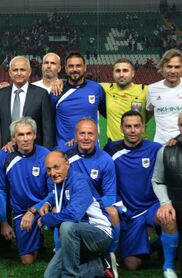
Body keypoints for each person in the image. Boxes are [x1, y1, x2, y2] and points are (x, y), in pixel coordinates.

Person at [104, 111, 176, 276]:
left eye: (137, 126)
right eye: (128, 126)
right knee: (132, 265)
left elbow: (176, 156)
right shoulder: (111, 149)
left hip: (152, 206)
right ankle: (156, 245)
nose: (133, 130)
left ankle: (169, 266)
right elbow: (92, 156)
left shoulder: (157, 149)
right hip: (130, 213)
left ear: (143, 128)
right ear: (121, 128)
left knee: (168, 216)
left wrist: (176, 142)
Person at [39, 151, 113, 278]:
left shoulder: (79, 180)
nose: (53, 173)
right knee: (50, 276)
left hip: (99, 234)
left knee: (67, 225)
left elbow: (73, 215)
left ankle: (70, 275)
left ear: (67, 164)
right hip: (76, 238)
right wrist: (48, 202)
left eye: (56, 167)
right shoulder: (59, 181)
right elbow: (58, 195)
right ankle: (101, 266)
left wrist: (47, 219)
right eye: (49, 169)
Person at [60, 117, 120, 269]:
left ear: (97, 136)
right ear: (75, 136)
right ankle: (61, 251)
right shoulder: (65, 159)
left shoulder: (105, 160)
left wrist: (90, 205)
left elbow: (110, 196)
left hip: (96, 209)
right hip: (72, 205)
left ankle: (109, 255)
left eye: (90, 134)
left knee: (113, 212)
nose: (86, 138)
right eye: (82, 133)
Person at [0, 117, 49, 264]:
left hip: (44, 208)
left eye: (29, 134)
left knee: (59, 215)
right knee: (27, 260)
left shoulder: (46, 155)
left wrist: (34, 210)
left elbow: (55, 191)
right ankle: (37, 239)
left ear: (35, 135)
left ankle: (59, 245)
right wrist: (4, 222)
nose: (25, 139)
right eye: (20, 135)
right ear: (13, 138)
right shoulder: (4, 156)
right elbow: (1, 190)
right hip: (20, 212)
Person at [0, 56, 54, 150]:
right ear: (10, 73)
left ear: (29, 72)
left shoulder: (41, 94)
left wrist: (46, 153)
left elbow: (47, 128)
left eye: (22, 70)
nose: (19, 73)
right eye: (15, 70)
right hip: (6, 150)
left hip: (33, 151)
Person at [50, 51, 105, 146]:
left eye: (78, 66)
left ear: (85, 68)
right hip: (65, 150)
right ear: (66, 69)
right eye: (71, 66)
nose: (74, 69)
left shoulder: (96, 88)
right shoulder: (57, 92)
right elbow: (49, 122)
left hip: (91, 148)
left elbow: (107, 113)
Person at [152, 111, 182, 278]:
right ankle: (168, 267)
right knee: (167, 215)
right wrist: (165, 203)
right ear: (178, 127)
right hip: (177, 208)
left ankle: (160, 243)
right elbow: (157, 181)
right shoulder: (166, 150)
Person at [102, 59, 148, 142]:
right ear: (113, 73)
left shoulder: (144, 90)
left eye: (125, 71)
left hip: (139, 145)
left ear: (133, 73)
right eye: (118, 71)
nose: (121, 74)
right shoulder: (105, 89)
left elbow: (150, 112)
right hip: (115, 145)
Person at [146, 48, 182, 144]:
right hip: (160, 145)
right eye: (169, 66)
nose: (173, 71)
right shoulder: (152, 89)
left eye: (177, 67)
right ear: (162, 67)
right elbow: (149, 111)